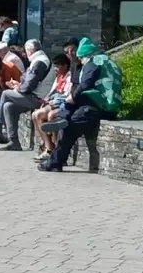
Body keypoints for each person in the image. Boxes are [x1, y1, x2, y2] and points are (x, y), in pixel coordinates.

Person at [39, 37, 121, 173]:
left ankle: (55, 162)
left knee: (69, 129)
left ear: (84, 55)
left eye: (81, 58)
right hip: (104, 105)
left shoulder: (92, 63)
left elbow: (86, 83)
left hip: (97, 107)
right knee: (70, 117)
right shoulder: (105, 60)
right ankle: (63, 119)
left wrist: (73, 96)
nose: (81, 61)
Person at [0, 38, 54, 151]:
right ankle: (14, 142)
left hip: (38, 99)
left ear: (31, 50)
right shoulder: (38, 60)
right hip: (34, 96)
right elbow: (29, 82)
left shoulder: (40, 61)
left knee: (5, 94)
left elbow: (29, 86)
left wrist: (18, 88)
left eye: (26, 51)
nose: (24, 53)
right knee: (8, 106)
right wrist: (18, 85)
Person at [32, 53, 73, 160]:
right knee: (34, 115)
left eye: (57, 66)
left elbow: (66, 95)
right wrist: (46, 100)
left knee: (39, 114)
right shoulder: (58, 77)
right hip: (53, 102)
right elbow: (52, 91)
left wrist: (52, 102)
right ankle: (47, 145)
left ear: (64, 66)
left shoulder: (69, 77)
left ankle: (50, 148)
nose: (55, 68)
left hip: (60, 104)